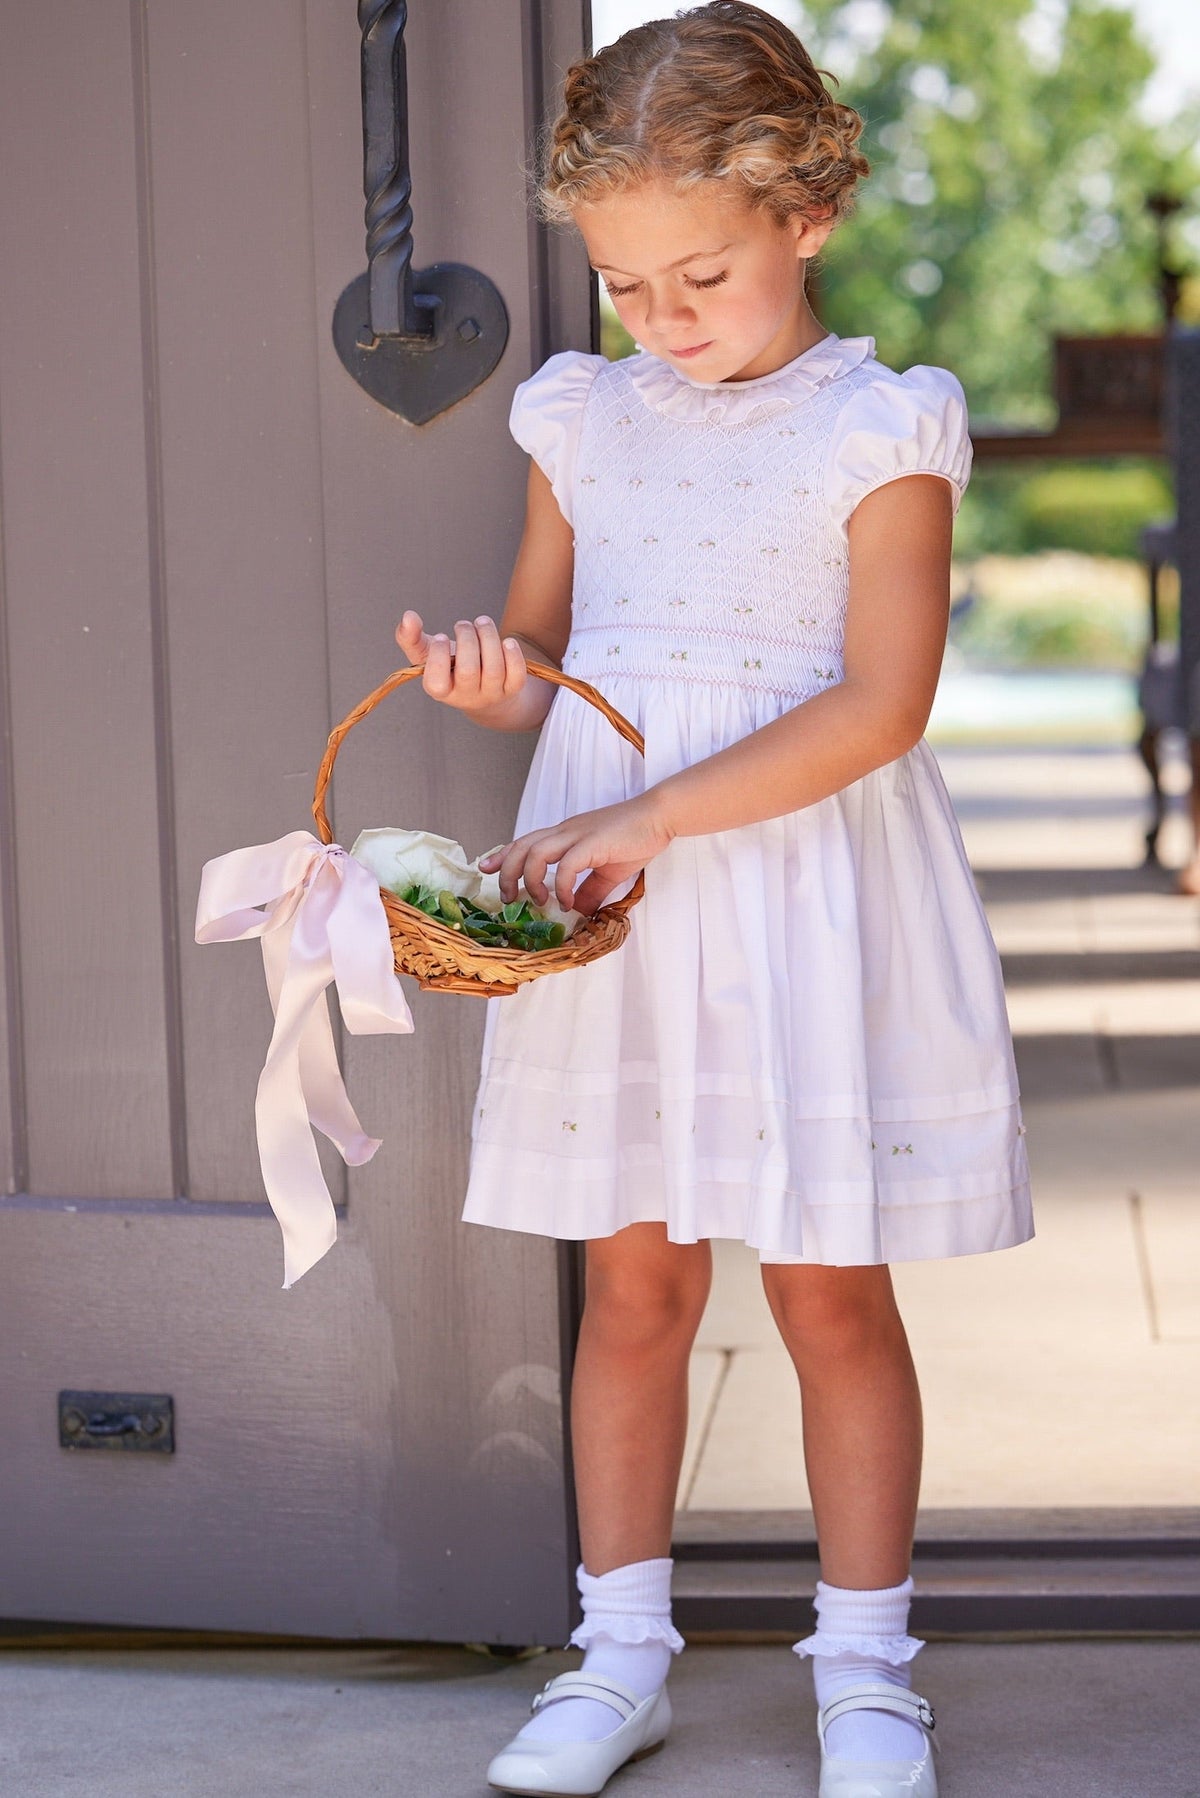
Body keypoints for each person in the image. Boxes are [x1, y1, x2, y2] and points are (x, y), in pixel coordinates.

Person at [394, 5, 1033, 1793]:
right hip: (625, 902)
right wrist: (481, 675)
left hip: (799, 892)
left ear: (806, 212)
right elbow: (544, 650)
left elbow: (880, 704)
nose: (663, 324)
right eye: (625, 284)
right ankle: (618, 1658)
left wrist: (666, 807)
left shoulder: (879, 429)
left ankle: (867, 1669)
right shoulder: (586, 418)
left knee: (830, 1291)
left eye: (704, 277)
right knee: (636, 1287)